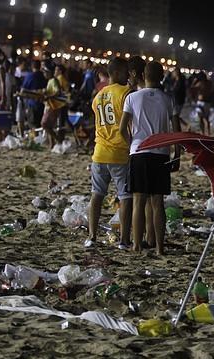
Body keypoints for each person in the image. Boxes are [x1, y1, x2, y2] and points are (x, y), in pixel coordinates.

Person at [120, 61, 181, 255]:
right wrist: (177, 154)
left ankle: (137, 245)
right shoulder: (168, 100)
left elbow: (122, 129)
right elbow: (176, 131)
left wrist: (132, 143)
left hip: (139, 152)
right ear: (162, 77)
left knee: (138, 201)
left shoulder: (133, 98)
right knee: (158, 203)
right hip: (161, 153)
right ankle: (159, 248)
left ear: (143, 75)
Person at [86, 57, 133, 249]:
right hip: (120, 152)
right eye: (126, 72)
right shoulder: (125, 93)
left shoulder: (99, 96)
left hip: (99, 152)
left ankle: (92, 236)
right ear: (117, 72)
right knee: (125, 197)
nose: (128, 75)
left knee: (97, 195)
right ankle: (123, 239)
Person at [41, 67, 65, 149]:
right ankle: (52, 144)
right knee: (49, 126)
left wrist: (48, 96)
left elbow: (57, 91)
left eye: (45, 73)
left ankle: (58, 139)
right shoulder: (50, 81)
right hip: (52, 106)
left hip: (53, 106)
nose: (44, 75)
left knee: (44, 124)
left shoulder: (53, 81)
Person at [21, 60, 47, 130]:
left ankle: (35, 140)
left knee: (32, 125)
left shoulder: (30, 76)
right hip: (42, 104)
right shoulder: (44, 76)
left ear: (32, 66)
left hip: (32, 104)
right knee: (40, 126)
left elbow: (23, 90)